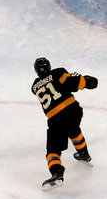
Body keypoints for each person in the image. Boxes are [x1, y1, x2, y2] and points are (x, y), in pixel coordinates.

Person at [31, 57, 98, 190]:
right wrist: (87, 81)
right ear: (49, 67)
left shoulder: (34, 87)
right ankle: (83, 153)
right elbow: (72, 82)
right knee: (73, 129)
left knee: (53, 150)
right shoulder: (58, 73)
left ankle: (57, 174)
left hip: (55, 119)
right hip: (73, 110)